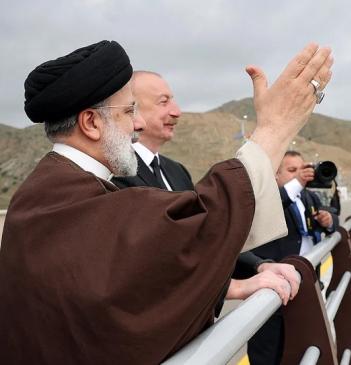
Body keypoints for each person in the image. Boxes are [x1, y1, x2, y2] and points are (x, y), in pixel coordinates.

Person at [0, 40, 333, 364]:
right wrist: (274, 129)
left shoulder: (50, 191)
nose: (139, 123)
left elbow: (142, 276)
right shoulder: (63, 199)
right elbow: (195, 229)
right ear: (91, 123)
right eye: (130, 110)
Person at [111, 71, 300, 314]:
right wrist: (233, 288)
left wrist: (259, 266)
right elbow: (156, 261)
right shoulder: (116, 175)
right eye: (163, 102)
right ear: (131, 109)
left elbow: (206, 235)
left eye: (174, 100)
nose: (176, 111)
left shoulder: (175, 171)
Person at [240, 150, 340, 365]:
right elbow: (277, 204)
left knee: (300, 345)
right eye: (292, 170)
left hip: (305, 286)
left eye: (302, 169)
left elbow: (333, 217)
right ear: (276, 174)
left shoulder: (308, 196)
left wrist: (328, 220)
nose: (300, 175)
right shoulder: (267, 197)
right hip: (273, 286)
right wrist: (297, 183)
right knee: (267, 351)